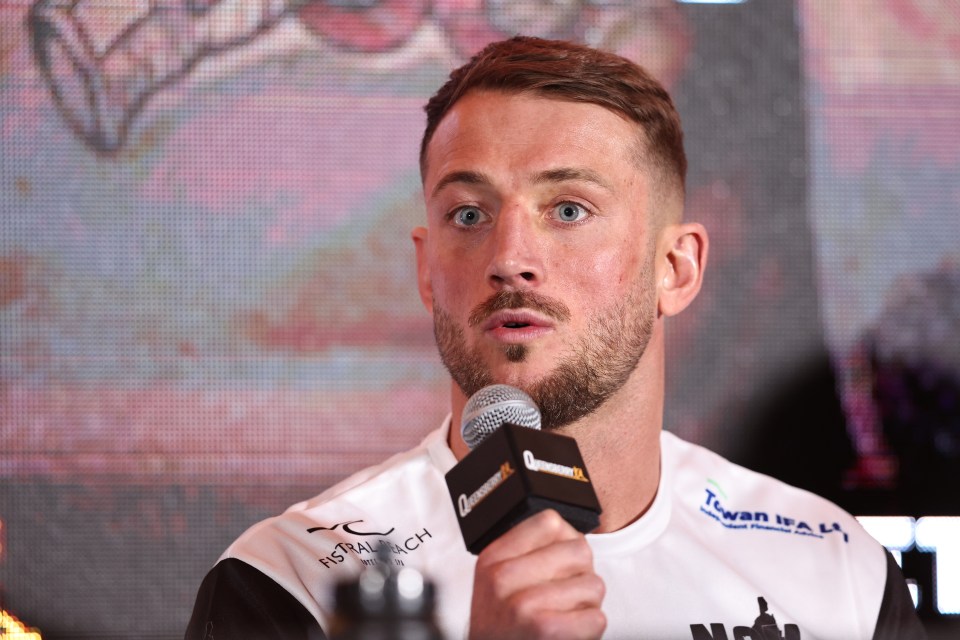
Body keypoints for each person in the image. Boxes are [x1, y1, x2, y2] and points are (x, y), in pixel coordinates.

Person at [185, 36, 925, 640]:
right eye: (469, 215)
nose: (509, 257)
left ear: (677, 268)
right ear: (425, 267)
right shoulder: (293, 579)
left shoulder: (833, 568)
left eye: (569, 210)